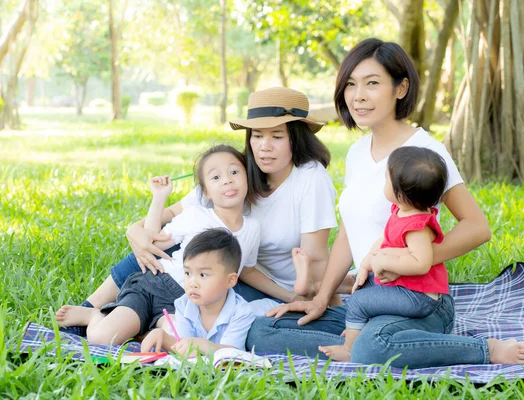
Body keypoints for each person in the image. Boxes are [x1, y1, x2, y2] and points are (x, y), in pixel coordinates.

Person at [250, 38, 524, 368]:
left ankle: (484, 350)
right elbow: (348, 231)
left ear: (401, 88)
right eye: (351, 84)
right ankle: (371, 343)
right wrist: (322, 298)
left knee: (373, 348)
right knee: (262, 331)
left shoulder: (425, 151)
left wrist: (415, 259)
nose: (358, 96)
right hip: (370, 298)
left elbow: (477, 227)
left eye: (372, 83)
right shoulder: (357, 153)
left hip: (418, 300)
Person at [60, 87, 343, 337]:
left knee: (214, 304)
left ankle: (142, 323)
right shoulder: (238, 174)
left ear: (296, 137)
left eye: (277, 136)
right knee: (165, 250)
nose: (264, 147)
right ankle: (90, 308)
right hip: (217, 272)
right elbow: (169, 214)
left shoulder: (309, 179)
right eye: (257, 135)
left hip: (266, 285)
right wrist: (136, 231)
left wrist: (315, 298)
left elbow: (315, 258)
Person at [56, 145, 261, 344]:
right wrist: (159, 197)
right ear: (205, 192)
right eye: (216, 177)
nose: (227, 181)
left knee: (180, 343)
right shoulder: (196, 215)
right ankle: (93, 316)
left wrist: (289, 295)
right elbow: (152, 241)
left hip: (185, 304)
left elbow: (248, 271)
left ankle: (143, 328)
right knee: (102, 338)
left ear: (247, 177)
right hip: (154, 285)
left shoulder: (253, 228)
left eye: (234, 172)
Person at [319, 146, 450, 361]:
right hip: (405, 289)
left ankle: (350, 348)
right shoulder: (402, 211)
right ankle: (356, 328)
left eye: (387, 179)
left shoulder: (417, 226)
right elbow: (385, 240)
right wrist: (368, 262)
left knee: (359, 301)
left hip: (419, 297)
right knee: (365, 286)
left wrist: (385, 261)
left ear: (400, 193)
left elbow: (421, 263)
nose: (384, 183)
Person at [139, 228, 256, 355]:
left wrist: (205, 346)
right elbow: (182, 346)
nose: (192, 283)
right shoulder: (183, 304)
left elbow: (232, 354)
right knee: (164, 330)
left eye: (203, 275)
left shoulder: (241, 312)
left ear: (230, 280)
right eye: (188, 273)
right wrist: (163, 337)